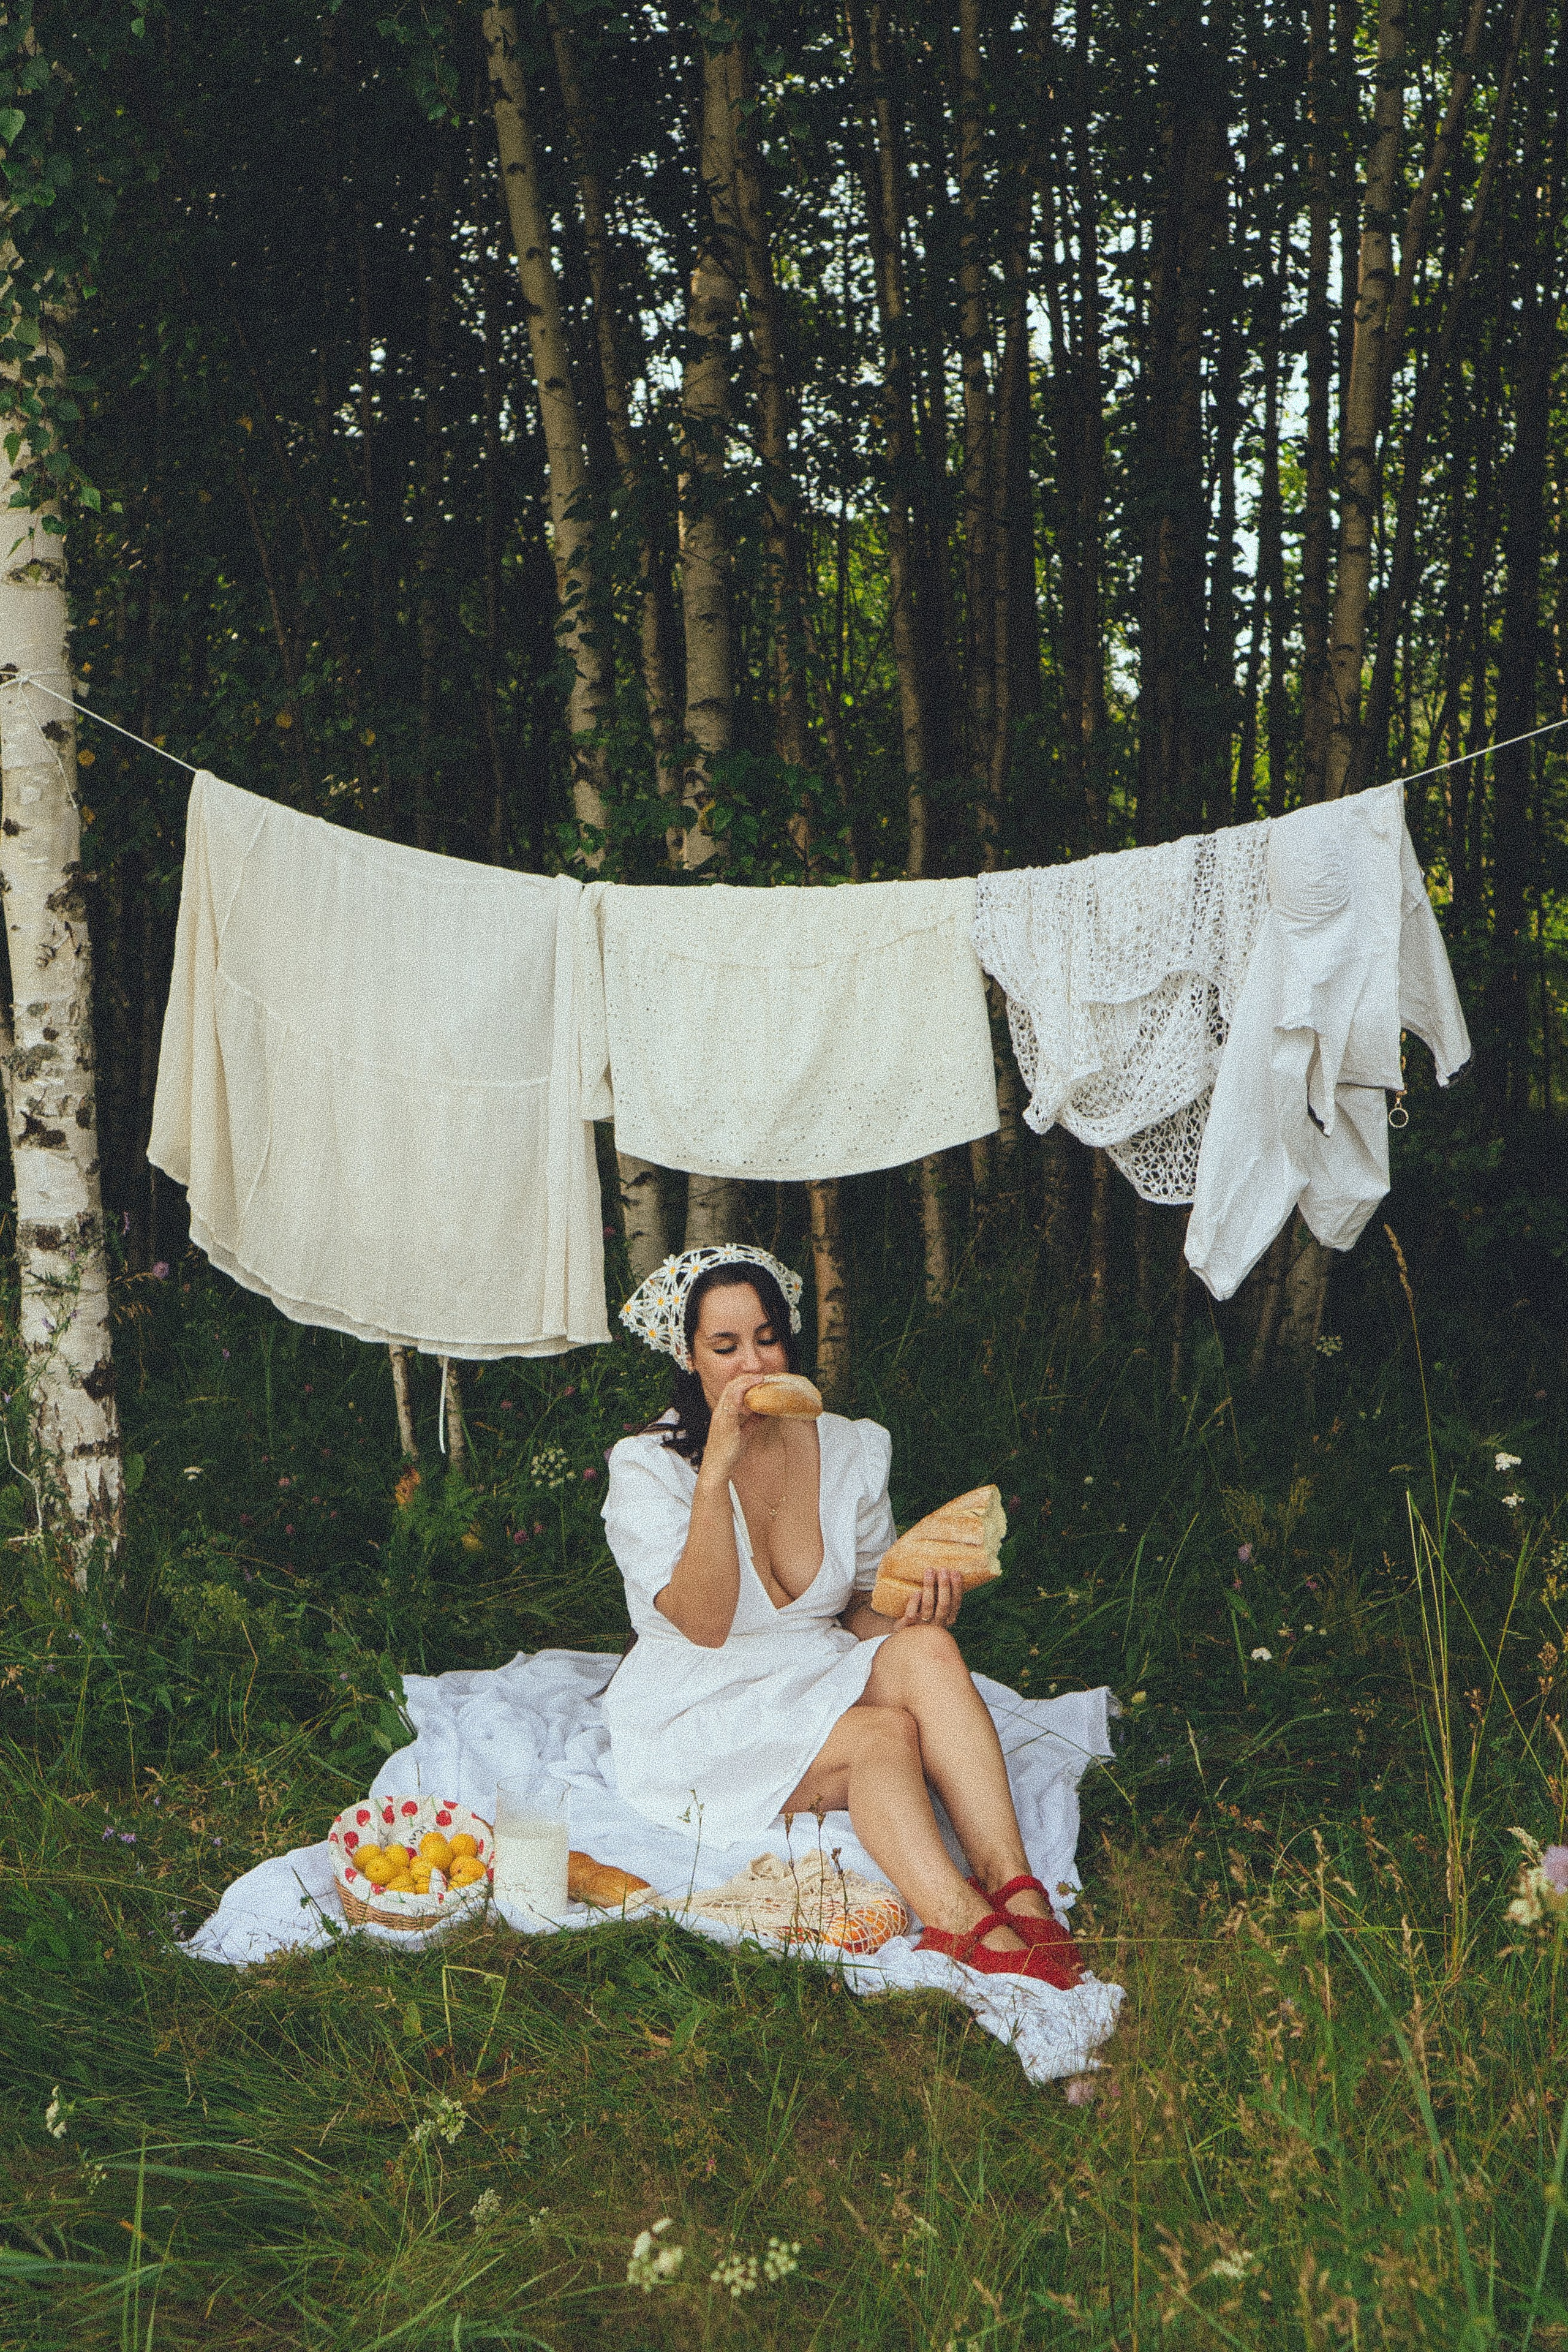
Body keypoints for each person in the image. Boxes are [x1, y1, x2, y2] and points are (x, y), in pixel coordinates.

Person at [601, 1243, 1081, 1985]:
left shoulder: (849, 1446)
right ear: (688, 1358)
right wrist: (717, 1471)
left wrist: (907, 1614)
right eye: (724, 1347)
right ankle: (960, 1924)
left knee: (929, 1651)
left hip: (809, 1667)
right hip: (700, 1700)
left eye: (767, 1338)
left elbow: (856, 1608)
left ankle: (1017, 1889)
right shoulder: (647, 1467)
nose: (753, 1365)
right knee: (882, 1737)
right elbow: (704, 1623)